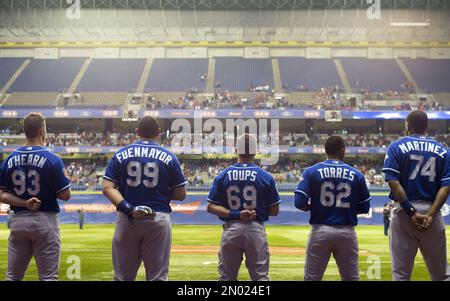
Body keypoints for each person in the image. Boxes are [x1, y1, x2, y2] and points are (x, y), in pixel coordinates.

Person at [102, 116, 187, 281]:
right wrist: (160, 192)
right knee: (157, 277)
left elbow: (107, 187)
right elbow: (181, 194)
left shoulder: (121, 154)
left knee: (122, 277)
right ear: (159, 133)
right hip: (158, 218)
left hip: (127, 218)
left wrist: (129, 209)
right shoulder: (169, 157)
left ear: (137, 132)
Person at [0, 112, 71, 281]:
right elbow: (65, 195)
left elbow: (1, 194)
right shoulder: (53, 159)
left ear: (25, 131)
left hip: (18, 220)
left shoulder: (9, 159)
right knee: (47, 277)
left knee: (13, 277)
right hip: (45, 220)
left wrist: (25, 202)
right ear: (41, 131)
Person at [383, 110, 450, 281]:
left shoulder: (396, 146)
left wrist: (411, 212)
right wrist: (430, 215)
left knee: (400, 275)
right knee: (441, 275)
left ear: (408, 125)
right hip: (432, 212)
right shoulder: (443, 150)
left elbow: (393, 182)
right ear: (426, 126)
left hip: (403, 212)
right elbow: (446, 187)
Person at [294, 135, 371, 281]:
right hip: (346, 232)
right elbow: (365, 207)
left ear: (325, 151)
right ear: (343, 151)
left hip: (320, 231)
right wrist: (347, 209)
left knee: (311, 278)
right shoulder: (357, 175)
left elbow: (299, 202)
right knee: (351, 278)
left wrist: (315, 207)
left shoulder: (311, 171)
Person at [207, 134, 280, 281]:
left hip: (231, 228)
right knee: (260, 278)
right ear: (255, 151)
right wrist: (257, 210)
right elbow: (274, 210)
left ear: (236, 150)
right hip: (255, 228)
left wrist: (237, 214)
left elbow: (211, 207)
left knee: (227, 277)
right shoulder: (266, 176)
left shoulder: (223, 175)